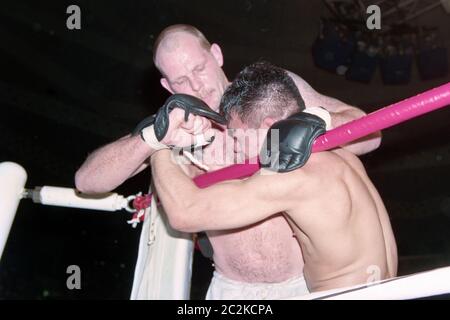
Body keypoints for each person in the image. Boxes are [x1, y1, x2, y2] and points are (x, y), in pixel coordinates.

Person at [74, 25, 382, 299]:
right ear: (167, 87)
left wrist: (316, 122)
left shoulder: (268, 92)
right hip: (232, 290)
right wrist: (154, 139)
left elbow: (370, 136)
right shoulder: (173, 128)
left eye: (199, 68)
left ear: (217, 55)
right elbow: (87, 182)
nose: (195, 85)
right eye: (181, 79)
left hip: (305, 282)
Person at [150, 61, 398, 295]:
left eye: (237, 137)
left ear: (269, 126)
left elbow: (185, 213)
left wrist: (159, 145)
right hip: (392, 290)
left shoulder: (292, 176)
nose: (236, 149)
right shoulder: (340, 154)